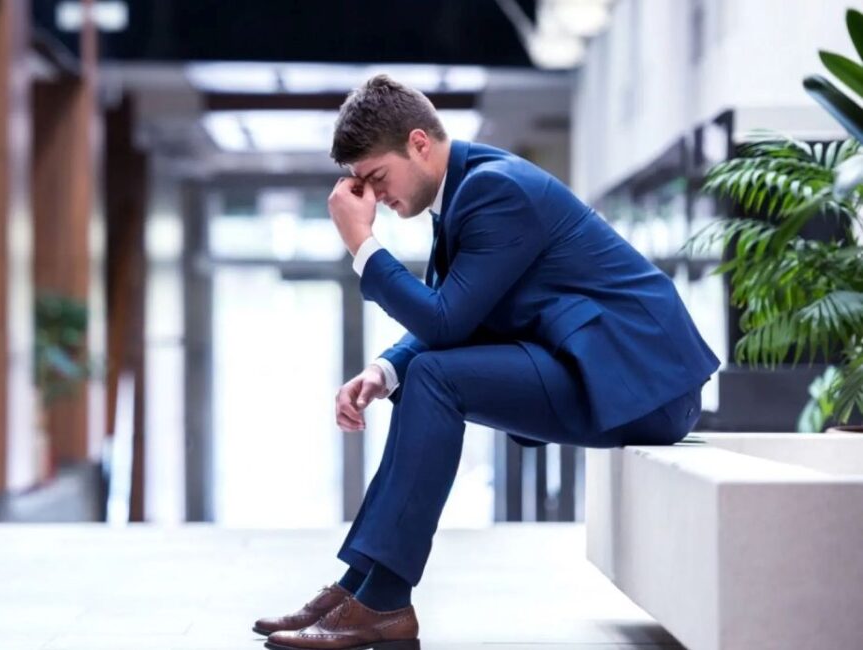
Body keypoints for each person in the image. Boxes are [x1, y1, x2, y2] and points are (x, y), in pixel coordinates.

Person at [254, 75, 719, 650]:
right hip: (591, 366)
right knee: (423, 372)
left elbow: (447, 321)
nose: (374, 198)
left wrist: (363, 247)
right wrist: (384, 370)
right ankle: (361, 589)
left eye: (377, 178)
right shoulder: (467, 194)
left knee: (437, 377)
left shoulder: (496, 191)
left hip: (641, 385)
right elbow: (461, 311)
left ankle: (382, 599)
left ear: (419, 143)